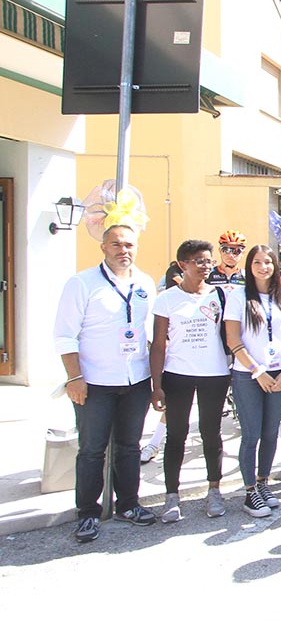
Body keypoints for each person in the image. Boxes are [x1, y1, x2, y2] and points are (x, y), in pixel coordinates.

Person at [55, 224, 158, 542]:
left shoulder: (145, 283)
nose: (123, 250)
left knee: (129, 447)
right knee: (91, 450)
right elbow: (64, 335)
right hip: (94, 382)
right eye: (116, 244)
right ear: (103, 247)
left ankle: (128, 505)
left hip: (135, 380)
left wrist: (156, 382)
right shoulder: (81, 283)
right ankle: (87, 513)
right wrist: (74, 377)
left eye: (129, 244)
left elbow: (149, 334)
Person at [150, 239, 233, 521]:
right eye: (199, 261)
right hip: (178, 375)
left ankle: (214, 490)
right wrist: (156, 384)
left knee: (211, 434)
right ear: (182, 265)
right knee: (176, 435)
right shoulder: (166, 299)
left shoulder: (222, 296)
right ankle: (171, 495)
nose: (205, 266)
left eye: (209, 261)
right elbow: (158, 344)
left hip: (215, 375)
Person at [224, 245, 281, 517]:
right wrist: (258, 372)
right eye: (257, 262)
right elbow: (233, 340)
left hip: (280, 374)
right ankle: (249, 492)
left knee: (270, 433)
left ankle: (264, 483)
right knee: (251, 434)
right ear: (249, 266)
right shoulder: (238, 296)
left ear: (275, 266)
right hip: (249, 376)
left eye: (268, 262)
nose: (263, 267)